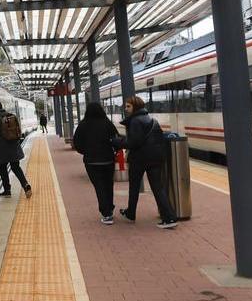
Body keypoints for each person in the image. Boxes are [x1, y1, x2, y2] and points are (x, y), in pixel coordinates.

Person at [116, 96, 177, 229]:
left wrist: (118, 142)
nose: (126, 109)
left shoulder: (135, 121)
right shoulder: (152, 120)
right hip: (155, 159)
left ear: (135, 107)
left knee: (134, 187)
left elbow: (133, 143)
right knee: (158, 188)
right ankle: (169, 217)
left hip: (140, 159)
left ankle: (131, 213)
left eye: (128, 106)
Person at [72, 102, 119, 225]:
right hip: (108, 159)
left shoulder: (83, 125)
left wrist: (86, 152)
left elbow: (76, 143)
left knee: (99, 186)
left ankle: (106, 213)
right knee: (109, 185)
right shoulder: (107, 123)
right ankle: (109, 208)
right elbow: (116, 139)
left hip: (91, 161)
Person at [0, 101, 32, 198]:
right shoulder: (11, 116)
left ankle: (7, 190)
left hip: (1, 151)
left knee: (2, 169)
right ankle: (25, 185)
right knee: (16, 168)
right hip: (13, 148)